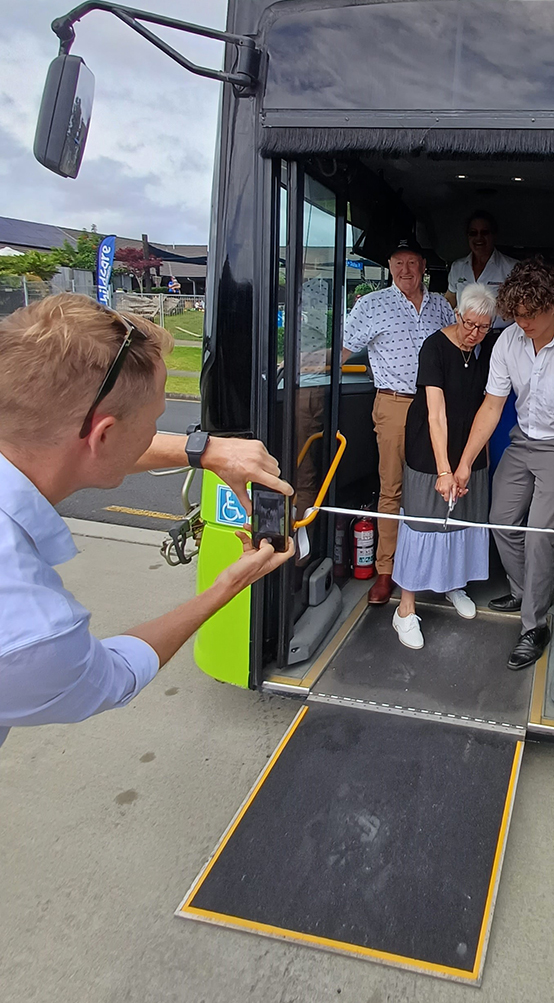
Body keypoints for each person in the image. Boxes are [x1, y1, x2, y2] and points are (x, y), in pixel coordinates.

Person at [0, 295, 296, 748]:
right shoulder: (33, 630)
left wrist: (205, 451)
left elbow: (79, 443)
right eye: (154, 422)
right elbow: (113, 676)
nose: (158, 435)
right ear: (104, 434)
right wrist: (226, 586)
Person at [455, 258, 554, 671]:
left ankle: (534, 623)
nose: (523, 323)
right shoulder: (508, 341)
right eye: (517, 315)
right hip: (522, 441)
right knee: (501, 520)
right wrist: (463, 465)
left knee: (540, 535)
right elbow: (492, 407)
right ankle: (526, 588)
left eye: (531, 315)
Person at [341, 238, 454, 604]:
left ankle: (436, 570)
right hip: (394, 404)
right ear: (390, 266)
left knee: (436, 488)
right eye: (398, 262)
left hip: (436, 407)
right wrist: (300, 368)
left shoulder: (441, 306)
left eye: (412, 262)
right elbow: (342, 349)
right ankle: (386, 572)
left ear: (424, 265)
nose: (405, 270)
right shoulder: (373, 304)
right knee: (392, 491)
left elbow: (458, 351)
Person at [390, 284, 498, 649]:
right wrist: (443, 470)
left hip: (470, 449)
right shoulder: (434, 347)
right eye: (470, 324)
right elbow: (435, 414)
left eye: (484, 327)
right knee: (422, 523)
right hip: (430, 451)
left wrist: (465, 463)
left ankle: (455, 584)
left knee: (462, 517)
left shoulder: (487, 348)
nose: (475, 334)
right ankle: (405, 608)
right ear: (457, 315)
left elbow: (489, 404)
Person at [446, 210, 519, 325]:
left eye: (484, 232)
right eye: (473, 233)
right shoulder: (457, 267)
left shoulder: (513, 268)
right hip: (465, 334)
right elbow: (449, 301)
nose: (479, 238)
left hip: (499, 336)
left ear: (494, 235)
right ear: (468, 236)